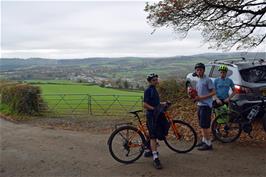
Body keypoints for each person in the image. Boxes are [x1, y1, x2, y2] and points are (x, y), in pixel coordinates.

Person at [193, 63, 216, 150]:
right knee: (202, 125)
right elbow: (199, 92)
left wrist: (201, 97)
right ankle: (204, 140)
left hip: (206, 106)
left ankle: (209, 144)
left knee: (205, 126)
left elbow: (213, 92)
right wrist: (194, 96)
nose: (199, 71)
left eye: (200, 70)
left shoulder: (207, 80)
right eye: (197, 70)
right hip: (200, 105)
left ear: (204, 70)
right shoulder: (199, 80)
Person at [143, 73, 163, 169]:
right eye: (154, 80)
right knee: (153, 136)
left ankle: (150, 149)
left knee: (153, 133)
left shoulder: (154, 89)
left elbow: (156, 103)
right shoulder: (148, 90)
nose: (156, 81)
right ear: (150, 81)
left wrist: (163, 104)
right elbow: (145, 104)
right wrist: (153, 109)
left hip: (155, 115)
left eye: (156, 79)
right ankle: (155, 158)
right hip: (151, 116)